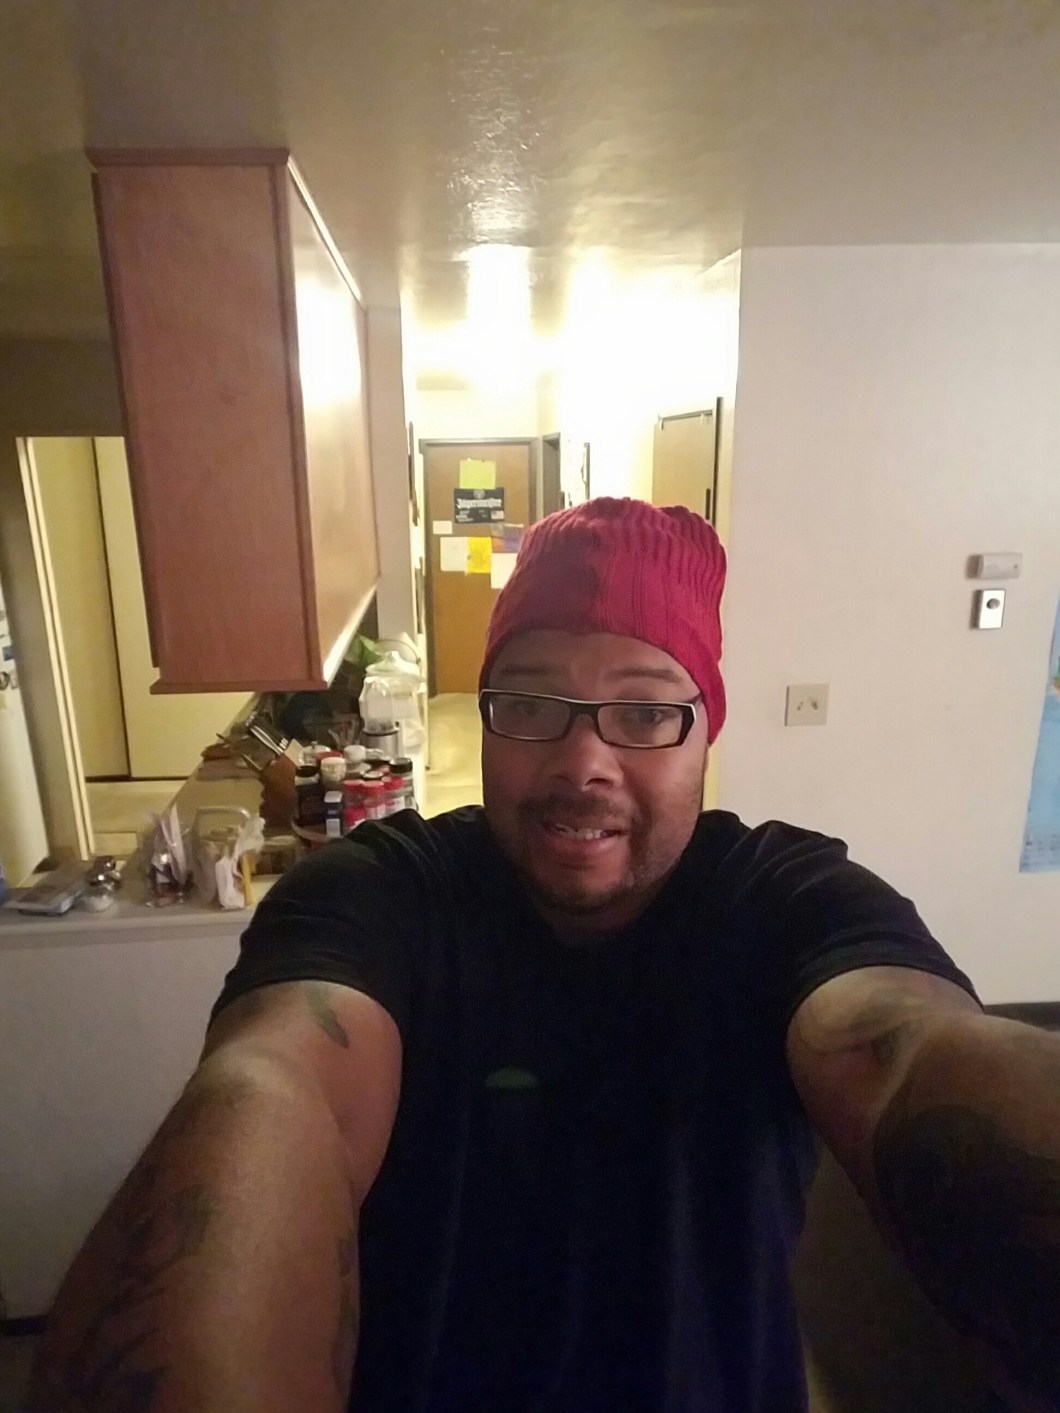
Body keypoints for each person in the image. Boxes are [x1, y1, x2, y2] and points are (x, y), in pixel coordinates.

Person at [29, 499, 1059, 1412]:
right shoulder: (377, 896)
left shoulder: (782, 901)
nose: (583, 763)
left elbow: (900, 1045)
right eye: (528, 705)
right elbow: (274, 1085)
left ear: (705, 730)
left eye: (645, 710)